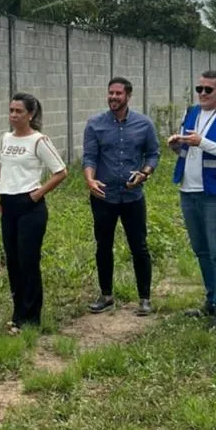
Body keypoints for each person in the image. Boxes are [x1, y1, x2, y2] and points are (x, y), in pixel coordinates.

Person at [167, 69, 216, 329]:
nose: (202, 94)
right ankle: (211, 301)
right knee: (201, 249)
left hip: (214, 192)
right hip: (188, 190)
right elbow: (189, 147)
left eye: (207, 90)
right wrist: (178, 144)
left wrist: (203, 142)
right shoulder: (191, 113)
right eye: (199, 89)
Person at [82, 76, 160, 316]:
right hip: (103, 196)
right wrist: (89, 179)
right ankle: (106, 295)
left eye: (118, 94)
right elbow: (90, 156)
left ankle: (144, 298)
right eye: (110, 93)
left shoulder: (144, 124)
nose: (113, 97)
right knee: (103, 246)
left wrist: (144, 173)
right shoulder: (95, 124)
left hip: (132, 197)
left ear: (128, 96)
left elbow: (153, 153)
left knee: (139, 246)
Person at [0, 93, 68, 335]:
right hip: (8, 204)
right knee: (13, 261)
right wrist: (0, 195)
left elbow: (60, 171)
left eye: (19, 111)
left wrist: (37, 194)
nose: (14, 115)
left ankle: (31, 317)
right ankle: (17, 314)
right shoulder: (6, 138)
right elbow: (4, 168)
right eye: (11, 110)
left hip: (30, 206)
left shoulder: (39, 140)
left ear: (31, 114)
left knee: (28, 261)